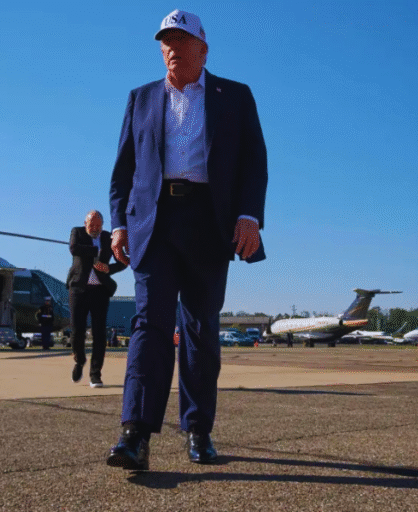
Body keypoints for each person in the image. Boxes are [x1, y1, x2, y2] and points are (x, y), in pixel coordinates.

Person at [106, 9, 268, 471]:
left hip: (208, 222)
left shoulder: (234, 97)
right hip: (152, 224)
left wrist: (249, 216)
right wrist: (119, 223)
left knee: (200, 327)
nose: (171, 49)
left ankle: (198, 430)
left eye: (180, 40)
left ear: (203, 48)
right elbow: (123, 172)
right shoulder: (141, 99)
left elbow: (254, 162)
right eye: (165, 42)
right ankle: (135, 434)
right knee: (150, 324)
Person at [66, 210, 126, 388]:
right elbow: (74, 248)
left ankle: (95, 374)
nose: (95, 229)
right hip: (78, 289)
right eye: (92, 225)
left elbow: (122, 261)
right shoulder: (77, 232)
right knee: (77, 330)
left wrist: (108, 268)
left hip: (100, 291)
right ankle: (79, 360)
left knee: (100, 334)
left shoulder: (108, 237)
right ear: (85, 224)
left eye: (99, 226)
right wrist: (96, 251)